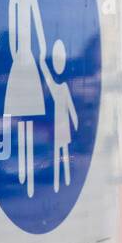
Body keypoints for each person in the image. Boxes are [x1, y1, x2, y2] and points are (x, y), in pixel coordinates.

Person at [2, 0, 49, 199]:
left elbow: (28, 26)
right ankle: (25, 176)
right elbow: (37, 30)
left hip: (22, 61)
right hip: (25, 61)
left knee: (25, 119)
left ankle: (25, 176)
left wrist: (23, 55)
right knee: (25, 120)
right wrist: (33, 55)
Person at [41, 39, 78, 193]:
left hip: (62, 126)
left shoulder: (62, 87)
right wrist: (42, 59)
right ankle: (58, 182)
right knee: (59, 153)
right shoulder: (56, 87)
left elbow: (71, 107)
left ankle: (64, 179)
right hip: (58, 125)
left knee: (63, 152)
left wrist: (75, 122)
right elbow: (46, 72)